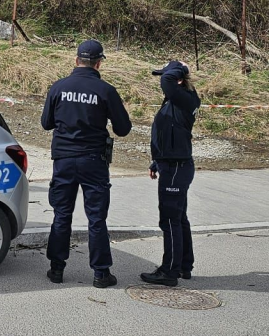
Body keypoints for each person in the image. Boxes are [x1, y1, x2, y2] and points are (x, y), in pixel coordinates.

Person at [41, 39, 132, 288]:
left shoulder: (59, 87)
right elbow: (123, 129)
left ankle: (56, 269)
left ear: (76, 60)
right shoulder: (106, 91)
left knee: (62, 214)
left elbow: (46, 123)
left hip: (64, 160)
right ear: (99, 63)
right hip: (93, 161)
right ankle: (101, 273)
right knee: (96, 218)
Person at [141, 60, 202, 287]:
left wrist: (180, 69)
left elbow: (167, 80)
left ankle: (169, 271)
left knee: (169, 219)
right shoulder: (178, 99)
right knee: (178, 218)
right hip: (173, 164)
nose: (162, 81)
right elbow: (168, 133)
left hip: (177, 167)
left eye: (166, 76)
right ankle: (184, 265)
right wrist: (157, 161)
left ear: (178, 80)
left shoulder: (184, 97)